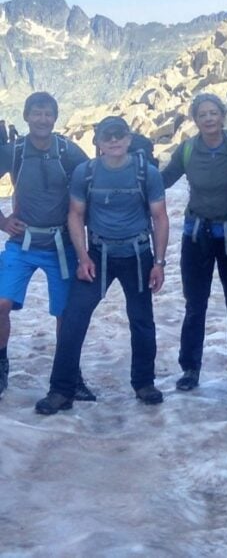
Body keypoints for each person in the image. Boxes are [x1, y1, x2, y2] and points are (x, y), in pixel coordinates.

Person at [35, 115, 169, 413]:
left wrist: (159, 262)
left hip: (137, 254)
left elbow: (160, 217)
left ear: (128, 138)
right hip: (97, 254)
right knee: (74, 318)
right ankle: (61, 390)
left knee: (142, 320)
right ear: (97, 142)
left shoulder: (146, 173)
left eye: (118, 134)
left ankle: (144, 383)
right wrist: (83, 257)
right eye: (107, 136)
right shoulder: (86, 173)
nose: (113, 141)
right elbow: (75, 215)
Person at [162, 93, 227, 396]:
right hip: (197, 235)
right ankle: (190, 368)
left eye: (213, 112)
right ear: (195, 119)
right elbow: (163, 180)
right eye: (202, 114)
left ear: (223, 114)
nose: (208, 119)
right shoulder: (188, 150)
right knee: (195, 305)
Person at [0, 92, 93, 401]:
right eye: (36, 113)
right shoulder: (13, 152)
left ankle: (69, 374)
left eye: (47, 114)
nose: (42, 119)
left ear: (55, 118)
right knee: (0, 304)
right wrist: (2, 222)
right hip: (22, 242)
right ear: (26, 116)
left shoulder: (67, 151)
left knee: (66, 314)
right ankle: (1, 363)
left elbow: (93, 182)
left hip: (61, 245)